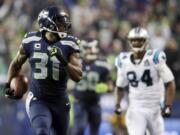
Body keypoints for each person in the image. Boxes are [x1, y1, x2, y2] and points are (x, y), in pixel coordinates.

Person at [4, 6, 83, 135]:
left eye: (64, 21)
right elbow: (16, 64)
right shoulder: (31, 40)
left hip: (60, 101)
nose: (63, 24)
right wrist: (8, 85)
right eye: (59, 21)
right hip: (38, 98)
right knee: (42, 130)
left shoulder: (70, 43)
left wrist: (62, 60)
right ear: (47, 22)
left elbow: (78, 76)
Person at [114, 27, 176, 135]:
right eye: (133, 40)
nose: (136, 42)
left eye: (139, 40)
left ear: (145, 41)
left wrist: (168, 105)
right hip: (136, 106)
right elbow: (119, 87)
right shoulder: (123, 60)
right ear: (129, 41)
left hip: (155, 106)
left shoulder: (155, 58)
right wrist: (117, 104)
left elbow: (170, 82)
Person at [72, 39, 113, 135]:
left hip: (95, 103)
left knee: (94, 131)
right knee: (79, 129)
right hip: (80, 102)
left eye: (93, 48)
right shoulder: (75, 62)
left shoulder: (103, 65)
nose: (91, 51)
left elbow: (110, 86)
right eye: (88, 48)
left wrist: (105, 88)